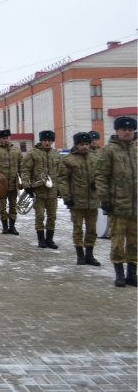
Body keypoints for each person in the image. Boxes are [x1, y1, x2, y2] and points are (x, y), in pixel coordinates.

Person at [94, 116, 137, 288]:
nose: (127, 132)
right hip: (118, 205)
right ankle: (119, 274)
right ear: (117, 131)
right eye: (124, 130)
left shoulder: (135, 150)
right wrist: (104, 199)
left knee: (135, 242)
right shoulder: (108, 151)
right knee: (118, 242)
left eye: (130, 130)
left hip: (135, 207)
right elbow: (101, 177)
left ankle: (132, 274)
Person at [58, 132, 100, 266]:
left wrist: (97, 184)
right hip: (76, 201)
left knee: (92, 229)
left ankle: (90, 254)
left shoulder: (94, 159)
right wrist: (67, 197)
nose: (85, 147)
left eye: (87, 144)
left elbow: (101, 176)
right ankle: (80, 255)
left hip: (92, 200)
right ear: (76, 145)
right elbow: (63, 180)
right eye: (82, 144)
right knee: (78, 229)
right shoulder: (68, 160)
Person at [21, 130, 62, 249]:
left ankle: (50, 239)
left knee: (52, 216)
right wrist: (26, 185)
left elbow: (61, 173)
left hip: (52, 191)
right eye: (45, 140)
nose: (47, 143)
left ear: (52, 141)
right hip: (38, 191)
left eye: (49, 141)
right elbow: (25, 170)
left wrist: (60, 188)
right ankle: (41, 239)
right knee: (40, 216)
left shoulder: (56, 155)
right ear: (41, 141)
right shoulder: (33, 153)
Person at [0, 129, 23, 235]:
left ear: (10, 138)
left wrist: (24, 181)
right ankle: (4, 226)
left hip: (13, 183)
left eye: (7, 138)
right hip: (1, 184)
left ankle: (12, 226)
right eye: (3, 138)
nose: (6, 140)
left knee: (13, 206)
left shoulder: (17, 151)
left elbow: (22, 167)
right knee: (2, 206)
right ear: (0, 139)